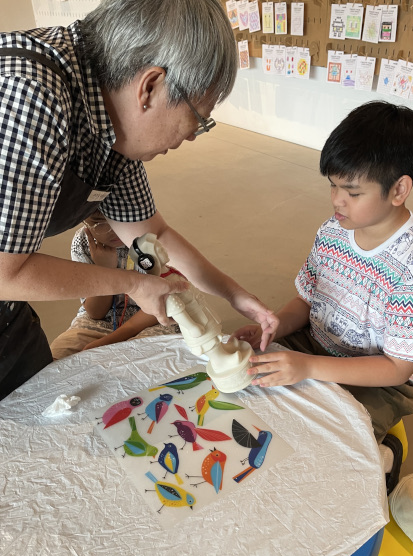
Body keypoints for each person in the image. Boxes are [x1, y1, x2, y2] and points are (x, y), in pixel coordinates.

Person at [0, 0, 277, 401]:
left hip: (9, 309)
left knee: (34, 404)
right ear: (150, 86)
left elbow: (153, 233)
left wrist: (234, 294)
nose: (192, 135)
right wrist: (134, 283)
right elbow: (5, 272)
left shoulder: (115, 123)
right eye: (197, 119)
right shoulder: (30, 96)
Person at [234, 102, 413, 490]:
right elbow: (307, 300)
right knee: (245, 390)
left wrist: (307, 368)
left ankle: (384, 457)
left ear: (399, 189)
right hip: (315, 343)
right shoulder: (333, 231)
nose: (337, 200)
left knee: (324, 454)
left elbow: (397, 369)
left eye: (352, 191)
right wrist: (276, 326)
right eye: (333, 185)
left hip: (380, 381)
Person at [50, 211, 180, 359]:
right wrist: (105, 270)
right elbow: (95, 313)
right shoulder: (83, 242)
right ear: (84, 221)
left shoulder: (151, 238)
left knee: (136, 356)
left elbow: (162, 302)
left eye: (119, 218)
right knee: (59, 354)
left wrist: (111, 340)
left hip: (152, 321)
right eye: (99, 223)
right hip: (98, 323)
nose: (113, 229)